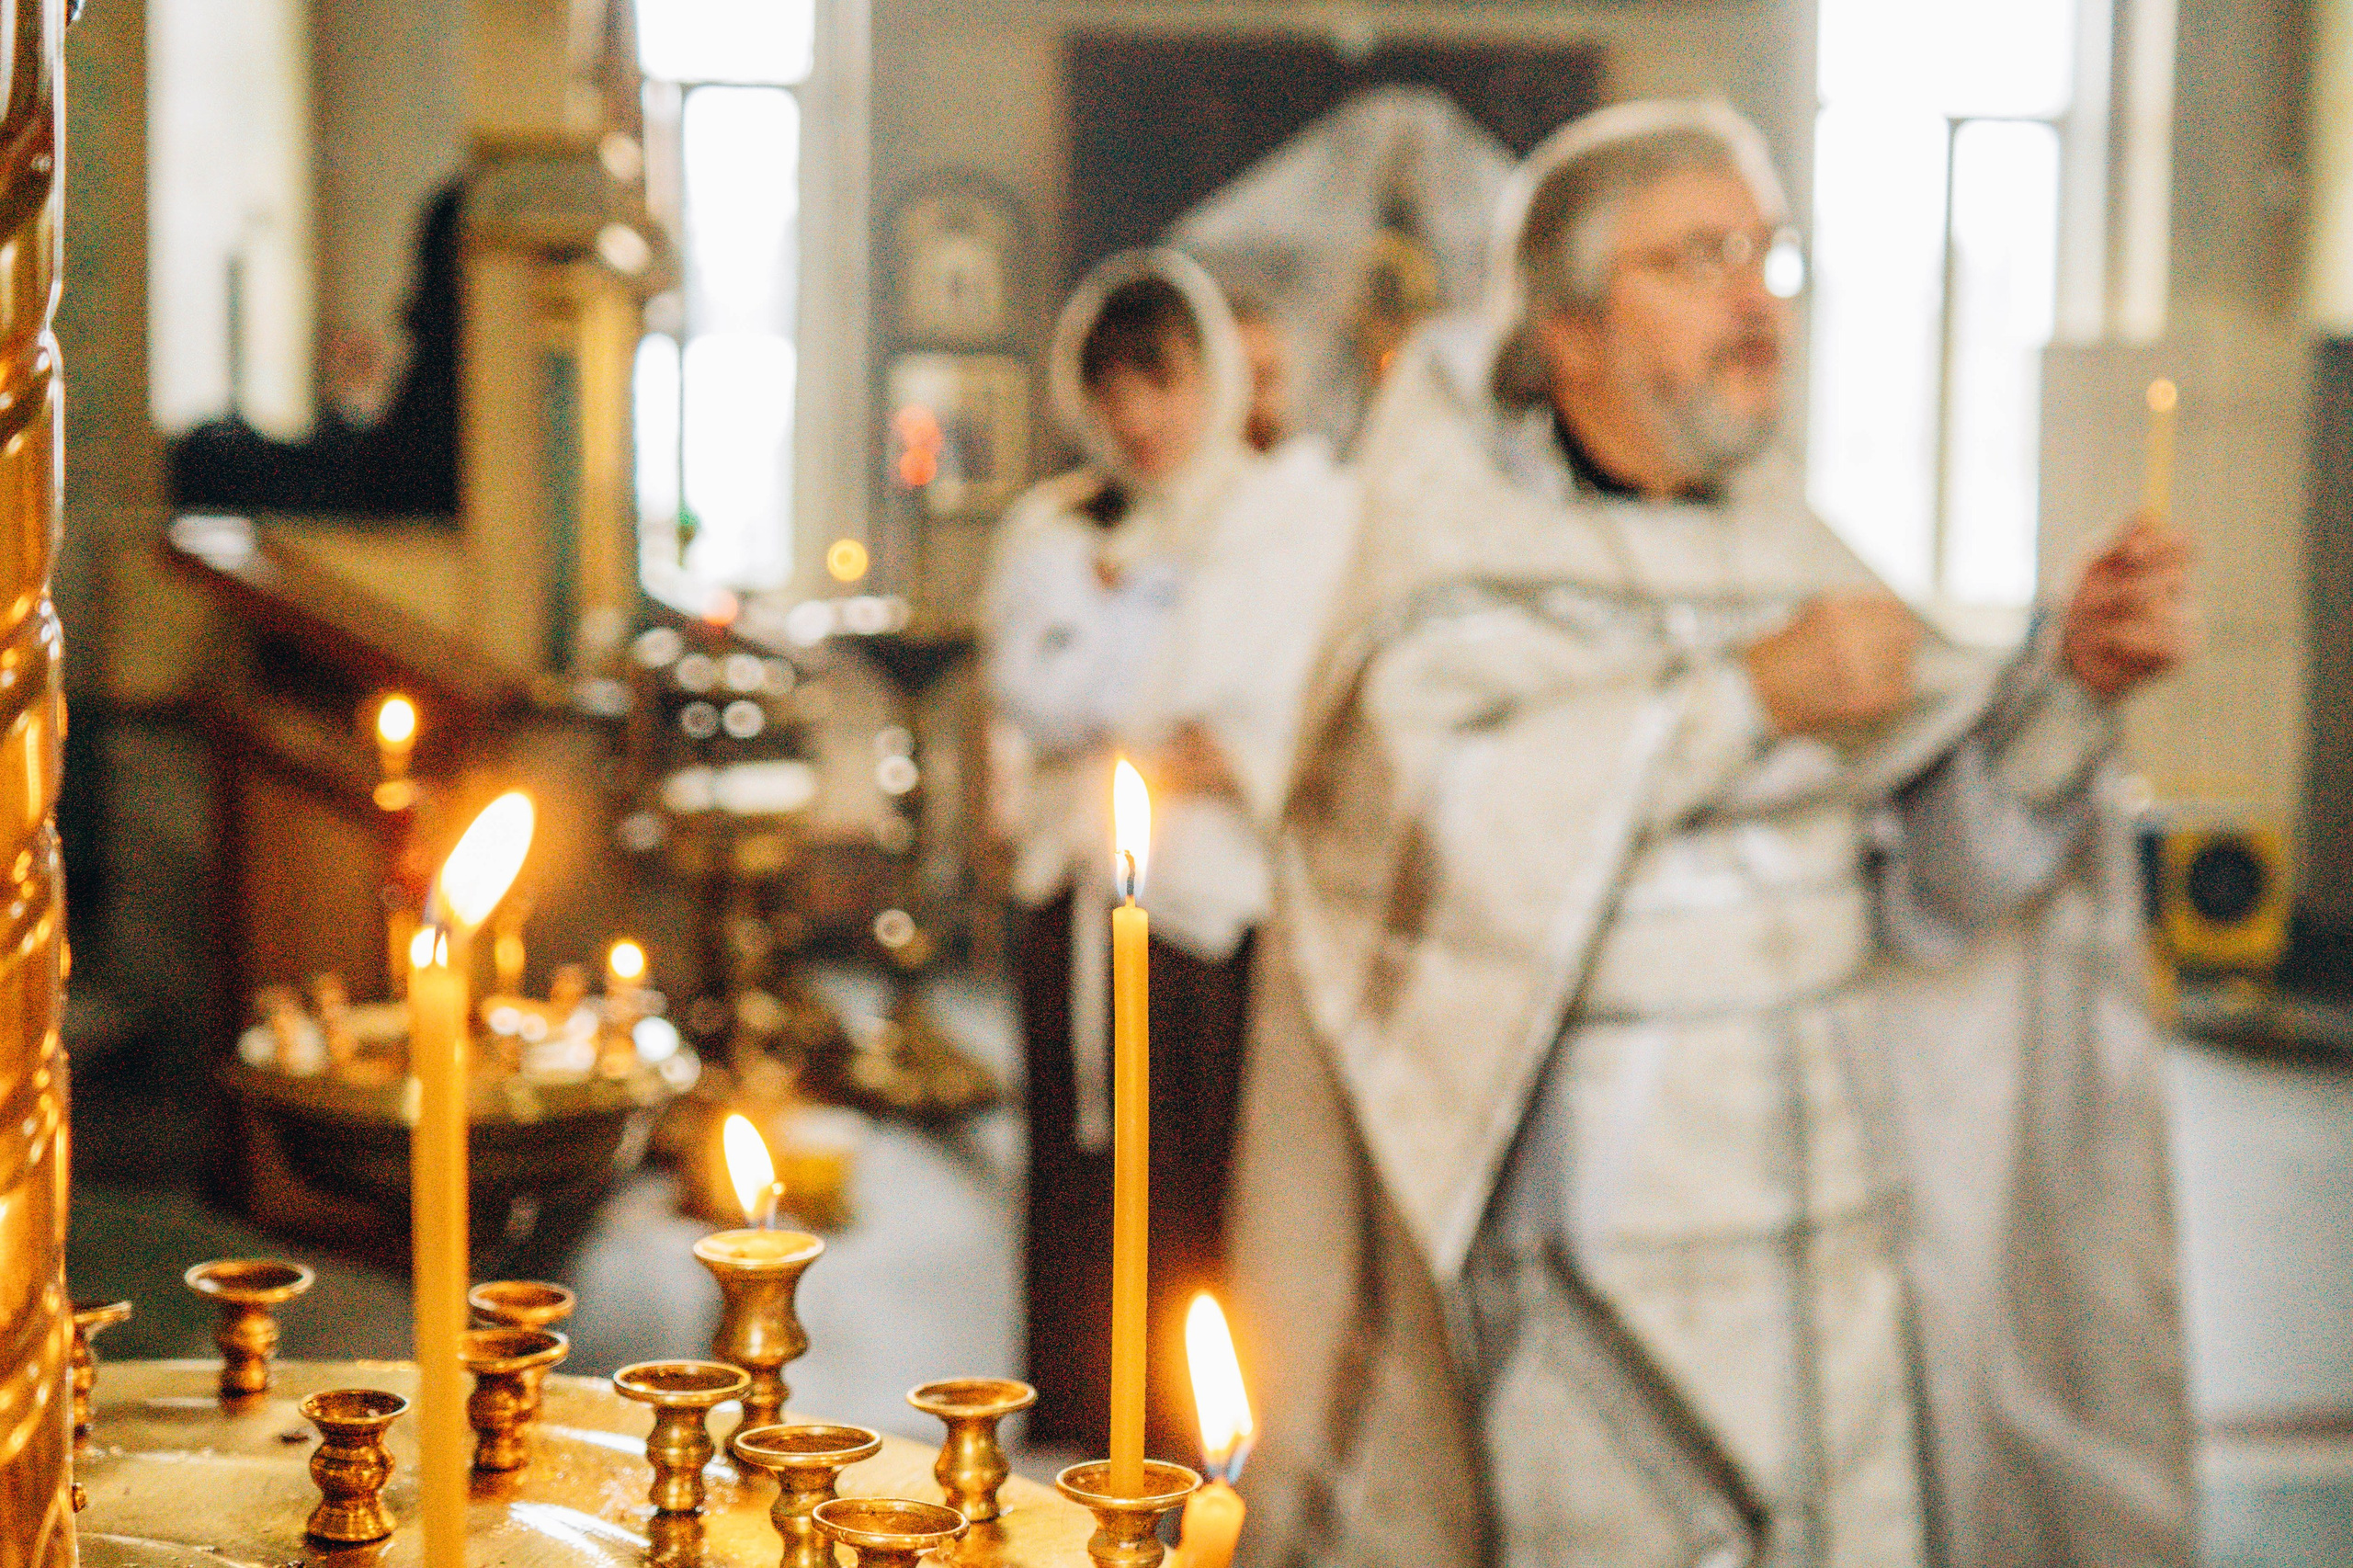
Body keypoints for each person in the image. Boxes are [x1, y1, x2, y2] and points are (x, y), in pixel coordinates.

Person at [1228, 101, 2196, 1568]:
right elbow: (1420, 854)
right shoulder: (1445, 569)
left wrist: (2068, 685)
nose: (1758, 300)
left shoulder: (1787, 552)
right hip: (1600, 1280)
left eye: (1769, 255)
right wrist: (1740, 702)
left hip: (1844, 1267)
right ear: (1566, 330)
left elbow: (1941, 894)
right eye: (1699, 256)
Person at [983, 249, 1357, 1454]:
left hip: (1208, 927)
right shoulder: (1064, 528)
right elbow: (1045, 704)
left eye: (1165, 379)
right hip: (1072, 910)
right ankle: (1070, 1464)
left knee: (1201, 1201)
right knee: (1079, 1199)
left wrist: (1162, 738)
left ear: (1215, 376)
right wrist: (1147, 733)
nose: (1140, 416)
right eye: (1114, 387)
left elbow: (1276, 717)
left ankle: (1195, 1473)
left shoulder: (1283, 519)